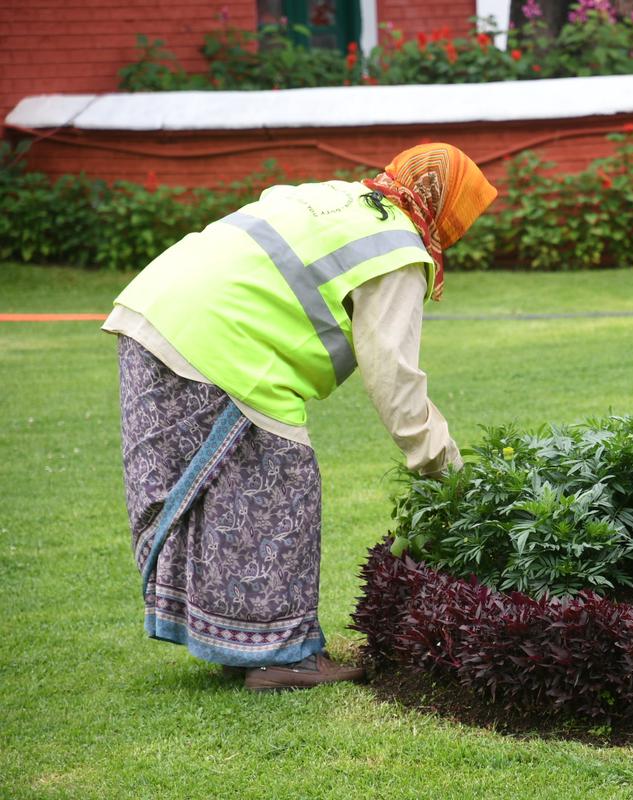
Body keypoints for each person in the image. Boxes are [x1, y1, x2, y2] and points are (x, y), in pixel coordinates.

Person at [103, 143, 497, 691]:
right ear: (447, 206)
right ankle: (281, 658)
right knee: (283, 490)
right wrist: (443, 466)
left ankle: (243, 644)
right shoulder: (397, 248)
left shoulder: (340, 199)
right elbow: (394, 377)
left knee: (225, 499)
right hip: (224, 345)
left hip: (152, 313)